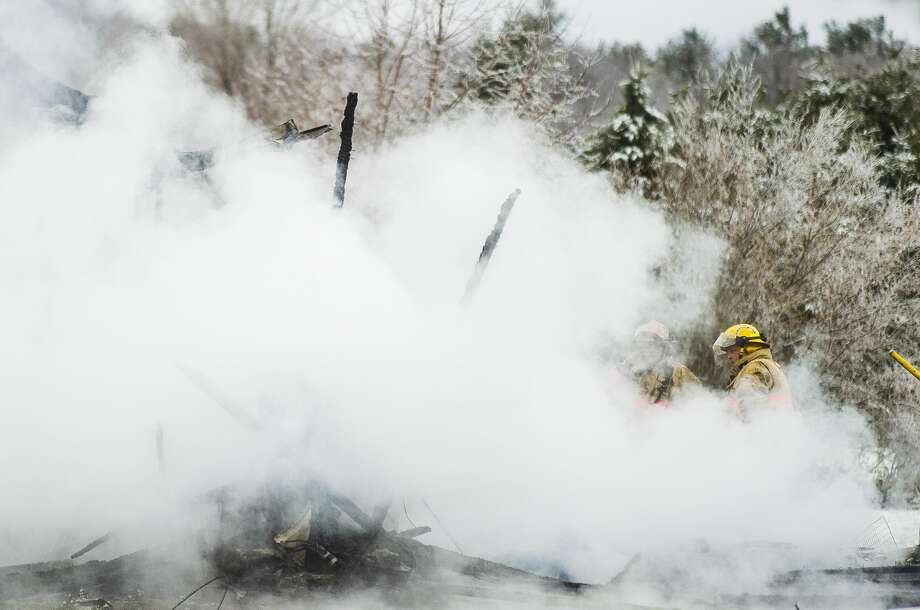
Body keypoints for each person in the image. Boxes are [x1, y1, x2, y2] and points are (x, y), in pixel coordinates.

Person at [711, 323, 792, 413]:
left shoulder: (754, 368)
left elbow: (750, 409)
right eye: (727, 352)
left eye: (733, 351)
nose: (729, 356)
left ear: (747, 348)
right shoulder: (769, 365)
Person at [625, 321, 699, 407]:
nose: (648, 350)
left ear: (665, 347)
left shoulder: (679, 372)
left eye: (653, 344)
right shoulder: (627, 370)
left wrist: (672, 407)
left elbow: (699, 403)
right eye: (644, 344)